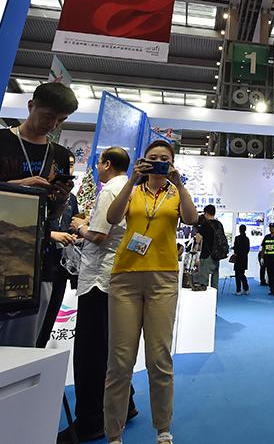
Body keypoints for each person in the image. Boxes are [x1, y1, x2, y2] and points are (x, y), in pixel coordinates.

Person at [103, 140, 198, 444]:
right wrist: (132, 178)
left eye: (164, 159)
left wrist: (179, 183)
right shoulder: (132, 190)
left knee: (159, 358)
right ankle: (113, 433)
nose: (158, 162)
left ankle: (163, 429)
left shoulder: (176, 193)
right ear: (143, 161)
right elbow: (112, 218)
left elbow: (192, 218)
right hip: (125, 278)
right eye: (152, 158)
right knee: (120, 361)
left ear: (172, 162)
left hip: (163, 279)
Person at [0, 82, 78, 347]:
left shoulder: (60, 155)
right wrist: (18, 186)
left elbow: (53, 215)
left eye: (61, 120)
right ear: (31, 106)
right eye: (48, 116)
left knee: (23, 349)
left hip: (36, 259)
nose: (52, 125)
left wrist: (61, 199)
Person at [59, 147, 136, 443]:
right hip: (114, 278)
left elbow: (100, 236)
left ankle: (90, 421)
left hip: (98, 281)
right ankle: (126, 405)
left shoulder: (111, 191)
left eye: (99, 163)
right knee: (109, 349)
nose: (96, 168)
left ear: (106, 164)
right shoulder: (131, 189)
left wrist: (80, 227)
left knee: (90, 354)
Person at [38, 148, 80, 349]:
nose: (68, 169)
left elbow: (73, 223)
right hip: (40, 262)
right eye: (63, 165)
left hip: (62, 265)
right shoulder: (40, 190)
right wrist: (52, 235)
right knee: (33, 322)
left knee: (50, 317)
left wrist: (76, 233)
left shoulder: (71, 199)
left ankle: (40, 353)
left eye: (70, 165)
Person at [193, 205, 220, 290]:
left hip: (207, 254)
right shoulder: (219, 224)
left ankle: (204, 294)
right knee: (215, 278)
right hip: (217, 254)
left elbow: (198, 239)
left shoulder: (206, 224)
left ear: (206, 213)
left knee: (203, 280)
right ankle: (214, 294)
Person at [232, 225, 250, 295]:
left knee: (237, 274)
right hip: (244, 259)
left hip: (238, 259)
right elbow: (247, 250)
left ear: (239, 230)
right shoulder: (247, 239)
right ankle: (246, 289)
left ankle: (238, 290)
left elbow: (235, 248)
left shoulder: (237, 238)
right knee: (242, 274)